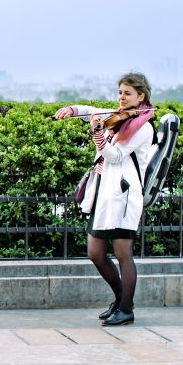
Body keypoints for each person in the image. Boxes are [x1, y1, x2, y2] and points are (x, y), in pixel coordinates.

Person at [55, 72, 155, 326]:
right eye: (120, 92)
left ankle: (126, 309)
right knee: (95, 252)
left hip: (123, 195)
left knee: (123, 253)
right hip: (104, 193)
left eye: (127, 93)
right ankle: (121, 301)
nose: (121, 97)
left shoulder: (142, 127)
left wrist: (97, 135)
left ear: (141, 96)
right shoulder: (120, 117)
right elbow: (93, 110)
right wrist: (71, 109)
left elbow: (116, 157)